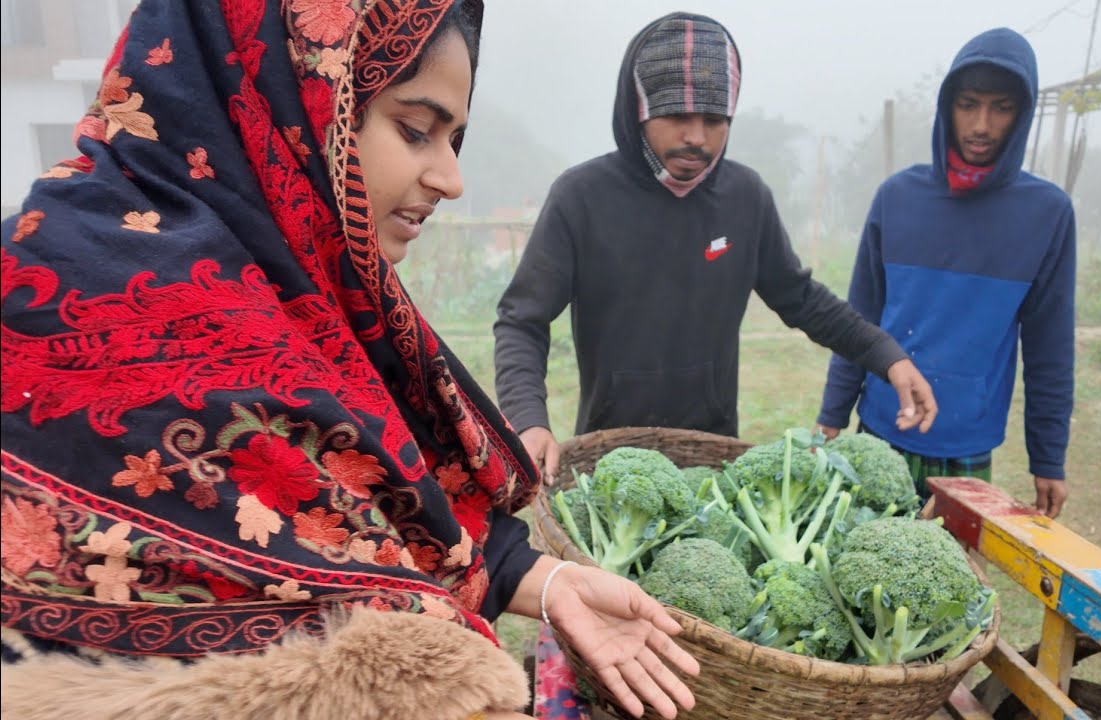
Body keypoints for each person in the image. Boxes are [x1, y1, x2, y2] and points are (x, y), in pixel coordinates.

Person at [0, 2, 697, 719]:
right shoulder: (63, 291)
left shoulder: (307, 286)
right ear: (295, 102)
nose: (450, 179)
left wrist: (544, 582)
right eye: (417, 131)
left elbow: (369, 519)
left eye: (454, 139)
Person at [494, 12, 937, 479]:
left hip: (713, 454)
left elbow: (803, 301)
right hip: (608, 455)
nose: (697, 138)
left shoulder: (746, 198)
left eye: (714, 119)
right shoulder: (581, 197)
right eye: (677, 117)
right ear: (638, 111)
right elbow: (523, 320)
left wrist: (888, 356)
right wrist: (528, 420)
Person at [815, 28, 1075, 519]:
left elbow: (1050, 348)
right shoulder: (897, 198)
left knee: (949, 586)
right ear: (946, 106)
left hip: (966, 446)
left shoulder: (1047, 213)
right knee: (853, 578)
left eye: (1001, 107)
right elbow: (858, 319)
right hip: (879, 434)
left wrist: (1048, 458)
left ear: (1022, 115)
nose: (981, 124)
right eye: (968, 104)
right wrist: (832, 414)